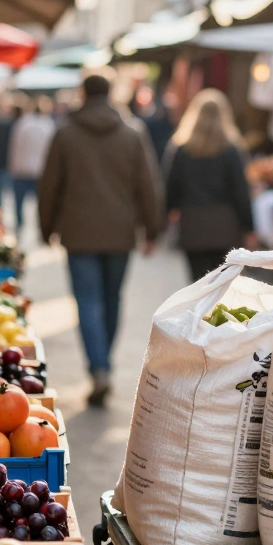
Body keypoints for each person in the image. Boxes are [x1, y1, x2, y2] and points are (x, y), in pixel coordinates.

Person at [38, 74, 164, 406]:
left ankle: (99, 368)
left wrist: (45, 227)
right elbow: (147, 185)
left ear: (83, 94)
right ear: (111, 93)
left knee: (87, 302)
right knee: (111, 300)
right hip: (120, 233)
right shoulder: (132, 133)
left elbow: (49, 184)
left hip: (78, 232)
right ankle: (103, 364)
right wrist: (151, 230)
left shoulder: (65, 133)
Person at [163, 89, 258, 280]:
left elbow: (170, 187)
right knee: (223, 287)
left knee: (198, 284)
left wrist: (166, 216)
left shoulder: (181, 150)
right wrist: (249, 227)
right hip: (225, 226)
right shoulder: (232, 150)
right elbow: (241, 191)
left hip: (192, 225)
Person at [7, 96, 57, 235]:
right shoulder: (48, 125)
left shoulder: (23, 123)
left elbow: (14, 147)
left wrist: (13, 166)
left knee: (19, 203)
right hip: (39, 170)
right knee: (41, 204)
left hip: (22, 169)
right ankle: (40, 227)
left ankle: (20, 225)